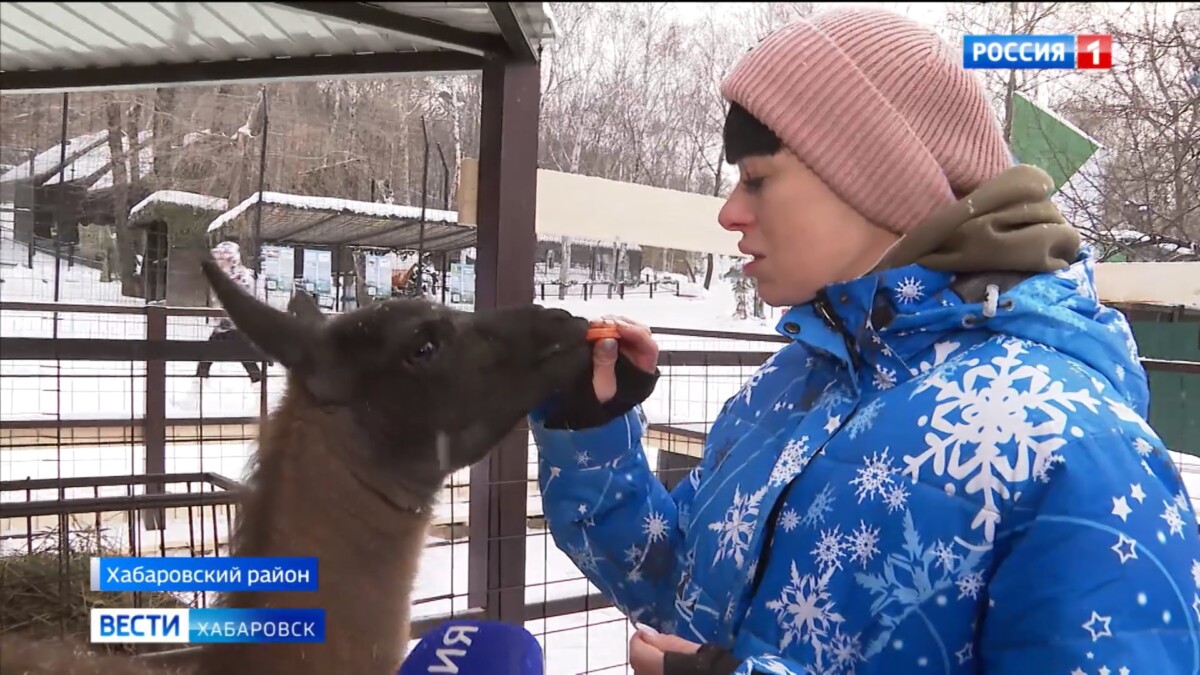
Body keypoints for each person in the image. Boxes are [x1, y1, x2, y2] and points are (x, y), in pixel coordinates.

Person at [528, 7, 1200, 675]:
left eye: (757, 178)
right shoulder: (792, 384)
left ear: (874, 176)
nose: (730, 211)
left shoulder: (1072, 447)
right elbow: (679, 588)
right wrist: (591, 427)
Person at [196, 241, 262, 384]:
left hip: (238, 325)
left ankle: (199, 383)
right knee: (212, 355)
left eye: (222, 258)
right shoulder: (225, 275)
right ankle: (257, 382)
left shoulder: (242, 277)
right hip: (226, 324)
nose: (219, 261)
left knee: (214, 354)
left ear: (232, 259)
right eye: (218, 258)